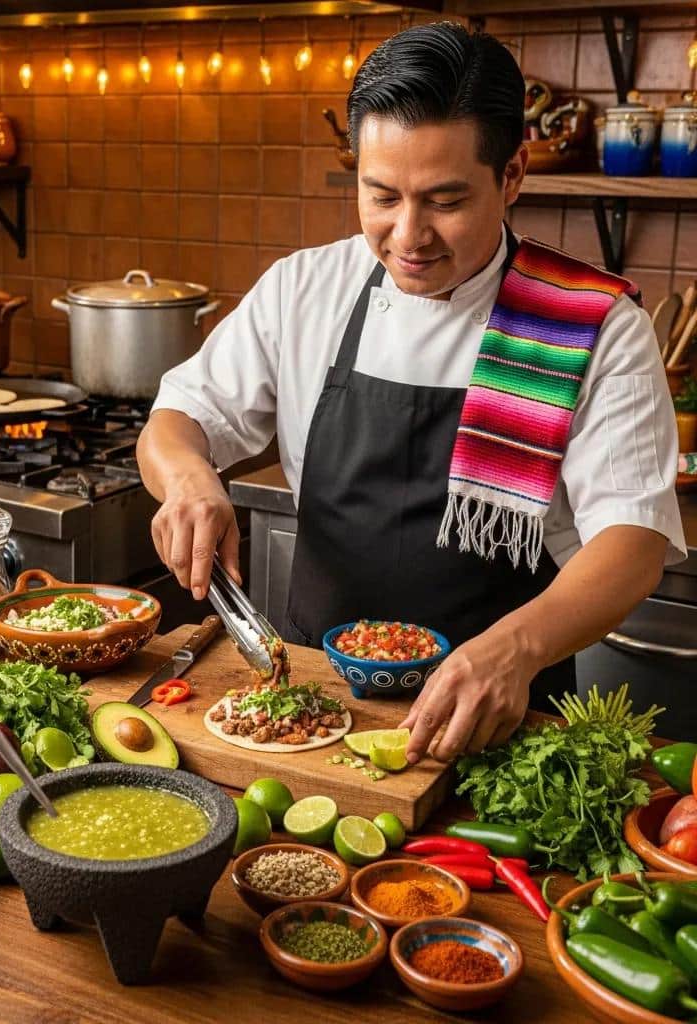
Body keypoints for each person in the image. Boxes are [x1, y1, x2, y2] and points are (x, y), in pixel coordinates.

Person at [137, 21, 687, 764]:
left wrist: (515, 649)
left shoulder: (594, 325)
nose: (408, 234)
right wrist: (191, 481)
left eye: (445, 200)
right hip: (307, 709)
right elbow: (177, 420)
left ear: (514, 174)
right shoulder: (306, 289)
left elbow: (634, 542)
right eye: (382, 196)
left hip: (496, 718)